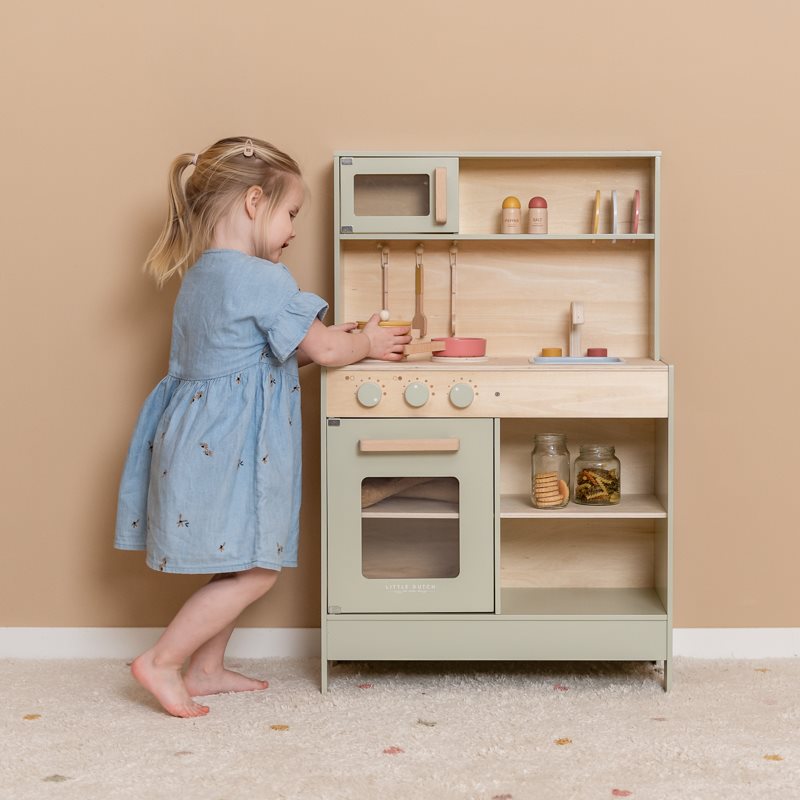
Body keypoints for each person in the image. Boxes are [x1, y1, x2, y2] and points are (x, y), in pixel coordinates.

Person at [114, 136, 410, 717]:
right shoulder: (263, 279)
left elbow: (256, 356)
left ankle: (205, 669)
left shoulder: (201, 276)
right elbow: (322, 351)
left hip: (196, 437)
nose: (294, 230)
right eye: (291, 214)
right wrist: (365, 342)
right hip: (234, 447)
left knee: (239, 555)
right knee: (257, 569)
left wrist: (334, 340)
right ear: (254, 203)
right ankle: (164, 661)